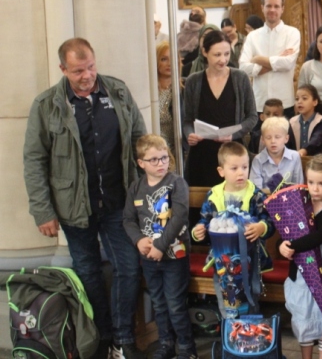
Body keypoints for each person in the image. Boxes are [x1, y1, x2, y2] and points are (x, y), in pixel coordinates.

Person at [23, 38, 146, 359]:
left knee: (128, 267)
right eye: (78, 71)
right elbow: (34, 160)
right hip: (73, 206)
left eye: (90, 67)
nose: (87, 75)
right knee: (88, 271)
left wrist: (146, 193)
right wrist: (42, 211)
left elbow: (140, 141)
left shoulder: (118, 92)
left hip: (118, 201)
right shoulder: (46, 105)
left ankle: (122, 338)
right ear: (63, 69)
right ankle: (102, 337)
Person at [123, 135, 196, 359]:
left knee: (175, 303)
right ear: (141, 163)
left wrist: (160, 245)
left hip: (174, 256)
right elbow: (128, 219)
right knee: (158, 303)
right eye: (153, 160)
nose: (160, 163)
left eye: (164, 157)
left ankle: (187, 348)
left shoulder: (176, 183)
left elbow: (179, 217)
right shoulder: (136, 187)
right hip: (149, 258)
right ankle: (166, 343)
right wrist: (138, 239)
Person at [191, 142, 275, 311]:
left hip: (251, 259)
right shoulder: (213, 195)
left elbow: (270, 221)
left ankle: (248, 326)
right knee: (226, 298)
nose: (241, 172)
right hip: (221, 260)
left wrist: (261, 227)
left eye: (244, 167)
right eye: (234, 168)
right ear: (221, 171)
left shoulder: (256, 195)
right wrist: (198, 231)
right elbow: (205, 221)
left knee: (250, 298)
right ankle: (228, 325)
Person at [279, 155, 322, 359]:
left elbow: (320, 236)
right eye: (311, 182)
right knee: (303, 315)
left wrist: (293, 245)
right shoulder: (301, 203)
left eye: (321, 183)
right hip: (301, 271)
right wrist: (283, 245)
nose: (315, 188)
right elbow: (287, 229)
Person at [183, 30, 257, 186]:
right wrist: (190, 134)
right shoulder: (193, 81)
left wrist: (233, 135)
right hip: (202, 154)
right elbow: (187, 120)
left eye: (227, 54)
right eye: (217, 55)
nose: (223, 60)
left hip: (232, 153)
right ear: (205, 52)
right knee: (202, 197)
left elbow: (252, 117)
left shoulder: (240, 78)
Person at [239, 0, 301, 116]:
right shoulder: (252, 36)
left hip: (284, 103)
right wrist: (278, 59)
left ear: (282, 9)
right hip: (259, 103)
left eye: (276, 6)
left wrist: (258, 59)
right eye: (268, 6)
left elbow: (288, 63)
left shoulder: (292, 33)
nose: (272, 10)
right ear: (262, 8)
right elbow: (243, 67)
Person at [250, 117, 305, 191]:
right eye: (268, 137)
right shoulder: (258, 160)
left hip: (290, 197)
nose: (273, 141)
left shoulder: (295, 157)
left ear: (286, 138)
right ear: (263, 140)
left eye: (277, 137)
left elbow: (298, 187)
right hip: (265, 198)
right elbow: (255, 190)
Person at [288, 84, 322, 157]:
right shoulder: (292, 122)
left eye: (304, 98)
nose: (299, 102)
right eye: (297, 99)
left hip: (317, 160)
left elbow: (317, 139)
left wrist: (304, 150)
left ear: (315, 102)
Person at [156, 41, 181, 154]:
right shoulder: (149, 93)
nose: (169, 63)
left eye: (173, 58)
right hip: (155, 148)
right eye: (164, 59)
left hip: (177, 149)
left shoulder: (183, 89)